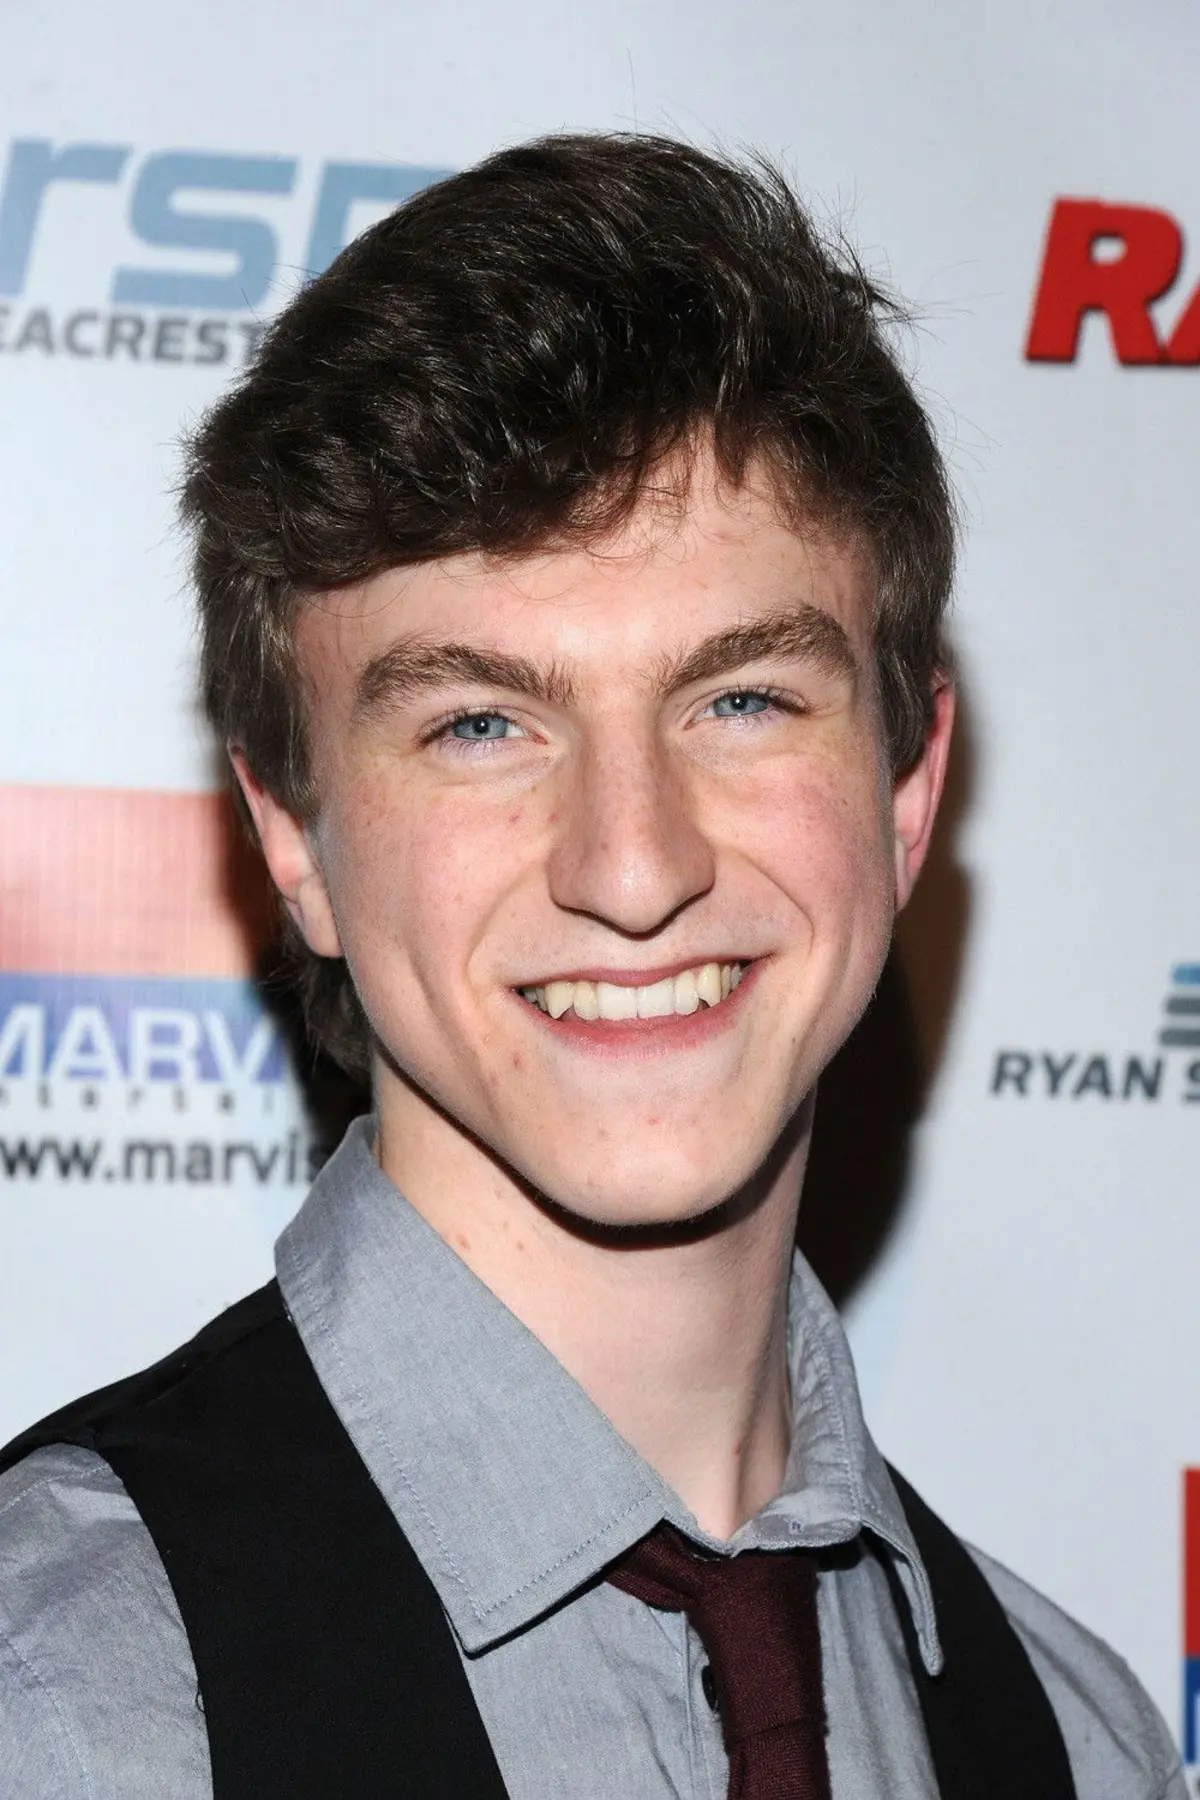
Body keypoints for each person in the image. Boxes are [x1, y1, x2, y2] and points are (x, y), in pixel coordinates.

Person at [0, 134, 1185, 1800]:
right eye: (481, 724)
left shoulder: (1080, 1741)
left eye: (741, 701)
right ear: (292, 835)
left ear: (908, 789)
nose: (633, 868)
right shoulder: (59, 1703)